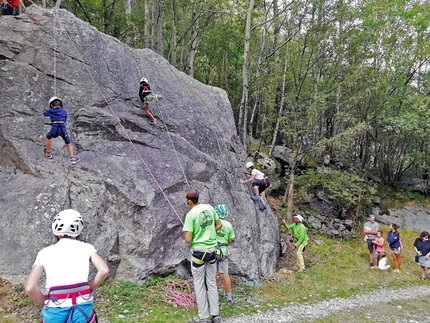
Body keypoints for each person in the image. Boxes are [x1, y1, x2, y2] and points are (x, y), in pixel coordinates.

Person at [25, 209, 109, 323]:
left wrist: (44, 303)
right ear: (79, 231)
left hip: (55, 308)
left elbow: (30, 288)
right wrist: (90, 286)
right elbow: (104, 270)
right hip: (82, 308)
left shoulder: (44, 252)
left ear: (55, 232)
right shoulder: (87, 248)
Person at [182, 188, 223, 323]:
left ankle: (204, 317)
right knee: (211, 282)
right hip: (212, 251)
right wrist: (209, 233)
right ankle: (216, 315)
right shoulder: (209, 208)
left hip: (199, 252)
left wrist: (196, 235)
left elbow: (188, 238)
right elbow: (219, 225)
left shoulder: (190, 215)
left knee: (199, 283)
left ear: (188, 201)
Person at [43, 97, 80, 165]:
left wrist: (51, 111)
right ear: (60, 103)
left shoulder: (50, 110)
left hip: (54, 128)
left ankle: (48, 153)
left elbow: (44, 113)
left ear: (51, 104)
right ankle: (72, 159)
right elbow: (64, 120)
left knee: (48, 137)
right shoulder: (64, 111)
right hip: (63, 129)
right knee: (68, 142)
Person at [214, 204, 235, 305]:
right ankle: (229, 297)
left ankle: (215, 297)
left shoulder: (214, 223)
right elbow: (230, 240)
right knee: (225, 275)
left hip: (213, 251)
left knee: (212, 275)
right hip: (223, 251)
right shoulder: (229, 225)